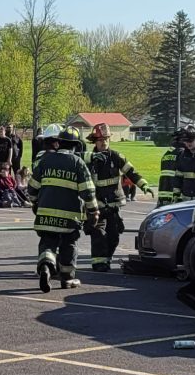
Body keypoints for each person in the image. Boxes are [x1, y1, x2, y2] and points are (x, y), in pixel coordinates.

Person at [30, 125, 96, 292]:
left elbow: (32, 188)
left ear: (59, 143)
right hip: (70, 217)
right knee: (69, 244)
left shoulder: (46, 160)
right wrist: (94, 212)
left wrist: (35, 203)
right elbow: (88, 191)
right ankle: (67, 279)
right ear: (75, 146)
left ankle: (46, 265)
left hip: (45, 215)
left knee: (47, 242)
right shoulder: (77, 163)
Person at [85, 123, 143, 272]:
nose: (103, 142)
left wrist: (143, 184)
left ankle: (106, 259)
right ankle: (98, 264)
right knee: (98, 234)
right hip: (96, 205)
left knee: (114, 236)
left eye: (105, 139)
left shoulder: (116, 157)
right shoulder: (88, 159)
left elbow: (130, 171)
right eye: (100, 140)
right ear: (94, 141)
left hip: (113, 205)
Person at [158, 124, 195, 205]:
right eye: (185, 141)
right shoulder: (182, 156)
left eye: (190, 140)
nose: (187, 143)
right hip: (186, 200)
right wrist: (176, 195)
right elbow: (178, 177)